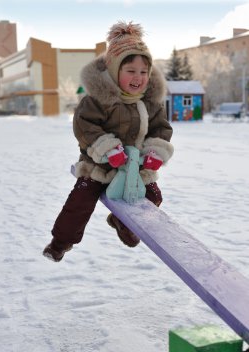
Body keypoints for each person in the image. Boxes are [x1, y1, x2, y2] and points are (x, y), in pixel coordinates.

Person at [43, 21, 174, 262]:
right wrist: (107, 148)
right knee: (79, 202)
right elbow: (85, 126)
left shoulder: (150, 102)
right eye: (131, 71)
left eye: (144, 72)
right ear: (114, 70)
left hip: (134, 167)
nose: (138, 77)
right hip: (99, 165)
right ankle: (61, 242)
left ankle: (121, 221)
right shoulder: (98, 99)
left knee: (154, 196)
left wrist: (155, 152)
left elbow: (161, 129)